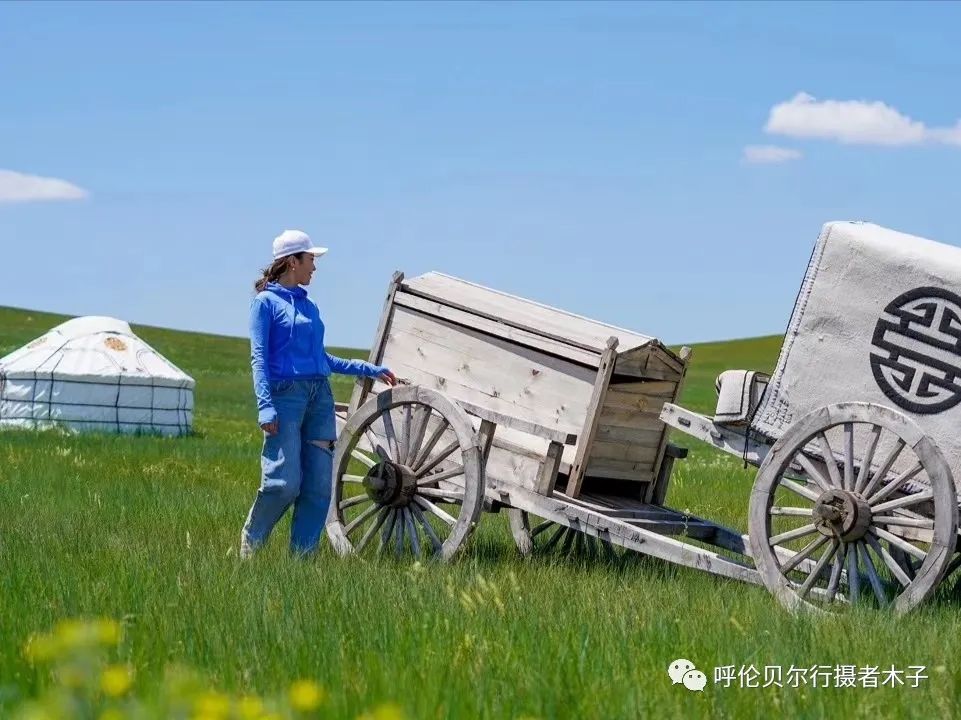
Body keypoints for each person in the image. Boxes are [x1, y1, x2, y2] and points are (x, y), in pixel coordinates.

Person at [240, 229, 396, 558]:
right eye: (311, 259)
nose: (315, 266)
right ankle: (251, 545)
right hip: (286, 399)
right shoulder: (265, 304)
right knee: (283, 483)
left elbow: (320, 359)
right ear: (292, 262)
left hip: (319, 399)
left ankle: (303, 561)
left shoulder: (310, 307)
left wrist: (368, 369)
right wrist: (265, 407)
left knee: (318, 488)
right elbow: (258, 358)